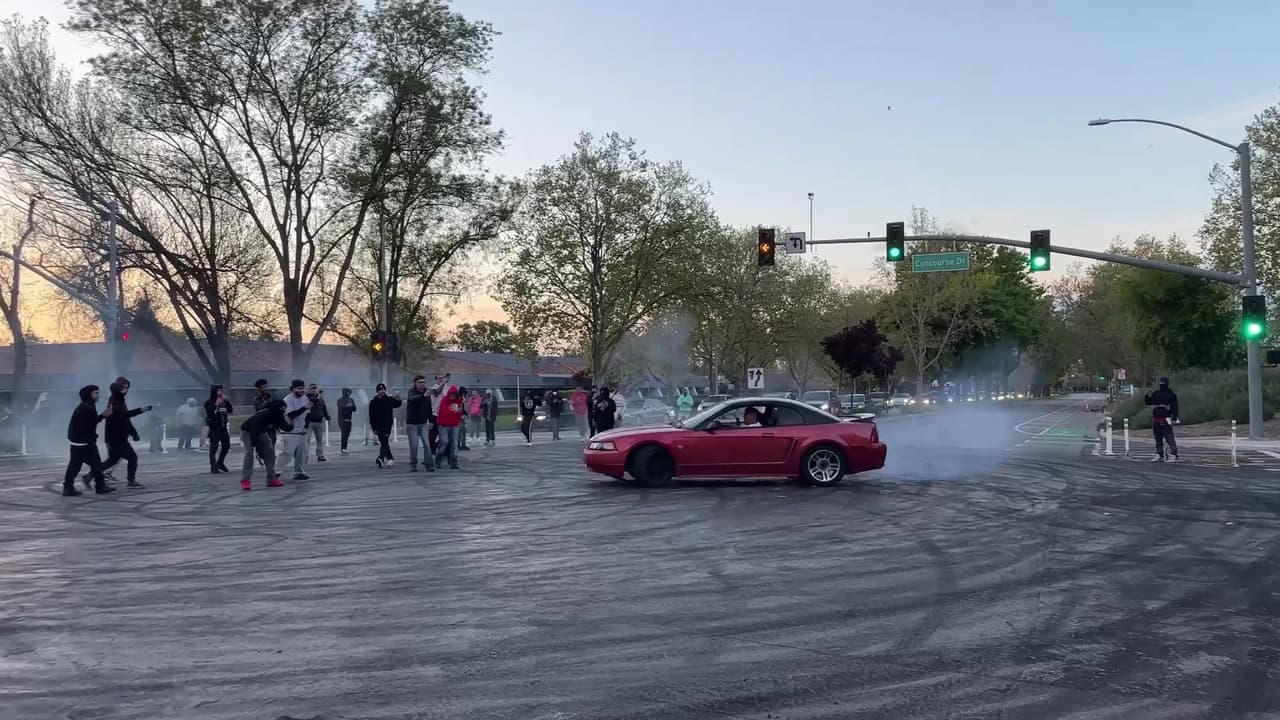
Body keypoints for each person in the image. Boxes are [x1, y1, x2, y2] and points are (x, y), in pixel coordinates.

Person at [97, 376, 152, 489]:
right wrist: (141, 410)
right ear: (118, 388)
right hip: (117, 437)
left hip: (117, 437)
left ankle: (90, 475)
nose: (125, 390)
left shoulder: (119, 399)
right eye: (123, 387)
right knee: (132, 458)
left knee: (112, 461)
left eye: (127, 388)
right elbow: (123, 416)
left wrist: (133, 433)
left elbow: (125, 419)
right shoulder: (115, 400)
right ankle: (131, 481)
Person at [63, 384, 114, 496]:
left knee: (74, 466)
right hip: (85, 443)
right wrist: (104, 415)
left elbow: (89, 422)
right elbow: (91, 423)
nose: (98, 395)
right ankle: (100, 486)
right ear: (89, 394)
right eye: (95, 393)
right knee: (96, 465)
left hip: (76, 442)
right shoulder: (88, 407)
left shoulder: (84, 406)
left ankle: (68, 487)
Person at [239, 398, 290, 491]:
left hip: (261, 431)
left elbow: (284, 427)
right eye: (282, 409)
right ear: (275, 409)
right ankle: (245, 480)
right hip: (248, 431)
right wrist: (259, 450)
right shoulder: (263, 415)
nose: (283, 412)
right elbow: (254, 432)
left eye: (284, 409)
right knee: (249, 454)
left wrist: (291, 425)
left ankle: (271, 478)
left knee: (270, 452)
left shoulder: (278, 414)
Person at [1144, 376, 1180, 463]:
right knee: (1158, 438)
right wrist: (1147, 394)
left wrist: (1174, 417)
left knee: (1169, 437)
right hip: (1157, 418)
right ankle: (1159, 454)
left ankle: (1173, 454)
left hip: (1166, 418)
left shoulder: (1170, 394)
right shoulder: (1157, 393)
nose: (1161, 385)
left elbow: (1174, 407)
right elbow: (1148, 402)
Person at [404, 375, 435, 472]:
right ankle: (413, 464)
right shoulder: (411, 392)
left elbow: (429, 407)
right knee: (414, 445)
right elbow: (412, 399)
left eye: (424, 382)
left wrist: (431, 420)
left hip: (423, 422)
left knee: (427, 444)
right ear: (415, 383)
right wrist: (423, 396)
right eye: (420, 382)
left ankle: (429, 464)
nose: (422, 384)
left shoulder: (427, 392)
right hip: (412, 423)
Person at [368, 383, 401, 467]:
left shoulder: (389, 399)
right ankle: (390, 458)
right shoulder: (373, 402)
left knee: (384, 441)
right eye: (380, 390)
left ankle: (381, 458)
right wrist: (373, 428)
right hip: (378, 426)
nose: (382, 391)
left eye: (383, 390)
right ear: (377, 391)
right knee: (384, 442)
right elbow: (371, 416)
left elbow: (397, 404)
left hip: (387, 425)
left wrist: (398, 397)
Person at [204, 385, 233, 474]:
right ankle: (213, 466)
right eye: (218, 391)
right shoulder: (208, 402)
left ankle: (220, 462)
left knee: (226, 446)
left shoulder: (223, 402)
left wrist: (227, 401)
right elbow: (210, 414)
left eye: (221, 390)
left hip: (223, 428)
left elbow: (230, 410)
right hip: (214, 428)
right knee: (214, 448)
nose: (220, 393)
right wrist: (216, 405)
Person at [435, 380, 464, 469]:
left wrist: (458, 410)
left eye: (455, 394)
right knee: (444, 442)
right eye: (452, 394)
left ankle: (454, 462)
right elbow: (444, 412)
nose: (453, 396)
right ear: (449, 393)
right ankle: (438, 458)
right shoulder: (445, 400)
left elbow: (461, 411)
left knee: (454, 444)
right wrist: (456, 411)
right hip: (443, 425)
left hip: (454, 425)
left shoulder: (459, 400)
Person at [306, 384, 331, 462]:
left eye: (315, 388)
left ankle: (320, 455)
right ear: (309, 389)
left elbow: (324, 408)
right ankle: (305, 455)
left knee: (319, 440)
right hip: (309, 422)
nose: (314, 389)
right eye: (312, 388)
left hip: (319, 421)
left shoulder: (320, 398)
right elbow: (312, 402)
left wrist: (328, 418)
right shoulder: (306, 398)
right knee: (307, 439)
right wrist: (317, 398)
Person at [337, 388, 356, 454]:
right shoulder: (339, 400)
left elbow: (354, 409)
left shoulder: (351, 400)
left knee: (347, 434)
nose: (349, 394)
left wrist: (351, 406)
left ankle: (344, 447)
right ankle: (343, 448)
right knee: (344, 434)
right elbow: (341, 408)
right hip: (342, 419)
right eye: (348, 392)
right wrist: (346, 406)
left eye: (350, 393)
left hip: (349, 419)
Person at [457, 386, 472, 451]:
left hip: (462, 417)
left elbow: (464, 408)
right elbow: (459, 407)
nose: (464, 394)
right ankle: (459, 445)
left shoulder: (463, 398)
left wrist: (466, 414)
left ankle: (462, 445)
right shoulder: (459, 398)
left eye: (464, 393)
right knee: (460, 432)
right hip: (459, 417)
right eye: (463, 393)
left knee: (463, 432)